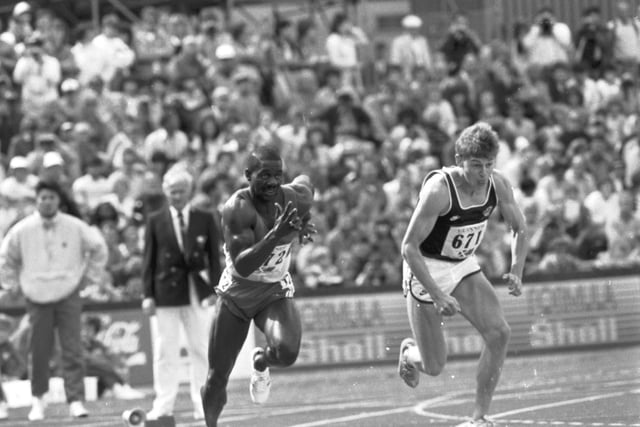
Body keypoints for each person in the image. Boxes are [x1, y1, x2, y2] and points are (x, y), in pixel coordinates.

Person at [397, 122, 528, 427]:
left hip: (461, 264)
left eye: (488, 165)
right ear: (459, 161)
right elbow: (408, 248)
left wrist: (516, 269)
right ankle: (410, 354)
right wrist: (438, 294)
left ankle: (478, 418)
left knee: (499, 333)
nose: (483, 173)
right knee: (434, 365)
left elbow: (519, 227)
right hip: (424, 268)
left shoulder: (498, 184)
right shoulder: (439, 190)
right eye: (475, 165)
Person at [201, 144, 315, 427]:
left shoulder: (295, 198)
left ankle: (261, 362)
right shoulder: (237, 209)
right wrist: (277, 235)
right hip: (237, 292)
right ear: (247, 175)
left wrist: (305, 223)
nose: (273, 182)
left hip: (273, 289)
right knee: (217, 377)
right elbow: (242, 265)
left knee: (287, 353)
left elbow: (306, 184)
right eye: (264, 175)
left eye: (278, 175)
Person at [0, 179, 108, 421]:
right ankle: (39, 400)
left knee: (72, 349)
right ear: (36, 201)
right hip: (36, 296)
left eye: (51, 197)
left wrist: (89, 278)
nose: (46, 201)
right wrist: (13, 285)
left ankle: (76, 400)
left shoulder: (75, 226)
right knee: (38, 350)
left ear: (59, 200)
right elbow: (5, 257)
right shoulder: (22, 229)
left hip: (68, 293)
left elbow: (99, 248)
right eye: (42, 197)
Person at [142, 167, 222, 421]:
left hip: (198, 290)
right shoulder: (155, 219)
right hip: (165, 292)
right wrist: (148, 295)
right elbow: (149, 260)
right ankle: (163, 404)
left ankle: (203, 404)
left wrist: (215, 289)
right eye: (172, 192)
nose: (176, 196)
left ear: (189, 191)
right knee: (166, 351)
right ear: (165, 192)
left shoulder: (205, 217)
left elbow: (214, 257)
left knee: (200, 348)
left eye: (181, 191)